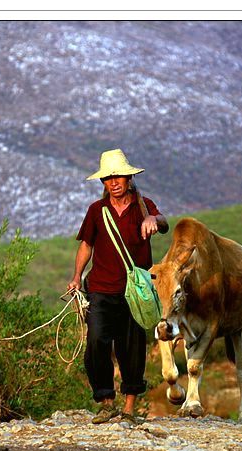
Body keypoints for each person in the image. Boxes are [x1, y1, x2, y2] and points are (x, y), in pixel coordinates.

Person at [67, 149, 169, 424]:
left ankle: (128, 409)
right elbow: (86, 245)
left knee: (132, 347)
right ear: (104, 183)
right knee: (97, 342)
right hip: (100, 288)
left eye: (118, 177)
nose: (113, 182)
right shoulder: (96, 211)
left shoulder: (144, 206)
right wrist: (77, 276)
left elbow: (164, 222)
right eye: (108, 178)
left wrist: (152, 220)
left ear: (128, 178)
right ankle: (106, 402)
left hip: (136, 291)